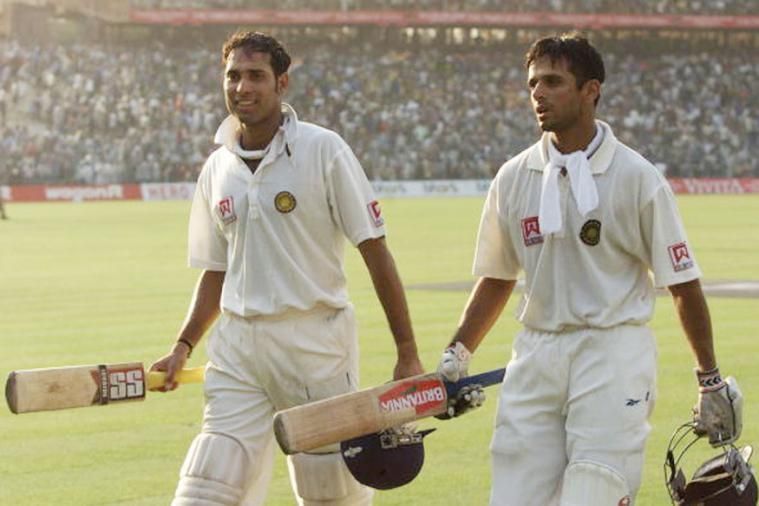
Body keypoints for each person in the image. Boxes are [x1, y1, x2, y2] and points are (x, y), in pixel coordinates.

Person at [436, 33, 742, 506]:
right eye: (533, 83)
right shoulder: (514, 175)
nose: (538, 93)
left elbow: (681, 284)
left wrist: (710, 379)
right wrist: (457, 353)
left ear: (590, 90)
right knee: (513, 498)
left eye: (554, 82)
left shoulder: (636, 176)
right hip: (534, 354)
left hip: (613, 351)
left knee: (594, 492)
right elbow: (497, 277)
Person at [150, 30, 423, 506]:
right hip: (238, 349)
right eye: (233, 76)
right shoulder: (217, 166)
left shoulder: (323, 149)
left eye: (256, 76)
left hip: (315, 344)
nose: (242, 87)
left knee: (329, 494)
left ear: (282, 84)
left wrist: (407, 352)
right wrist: (182, 345)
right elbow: (217, 271)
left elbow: (374, 250)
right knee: (207, 486)